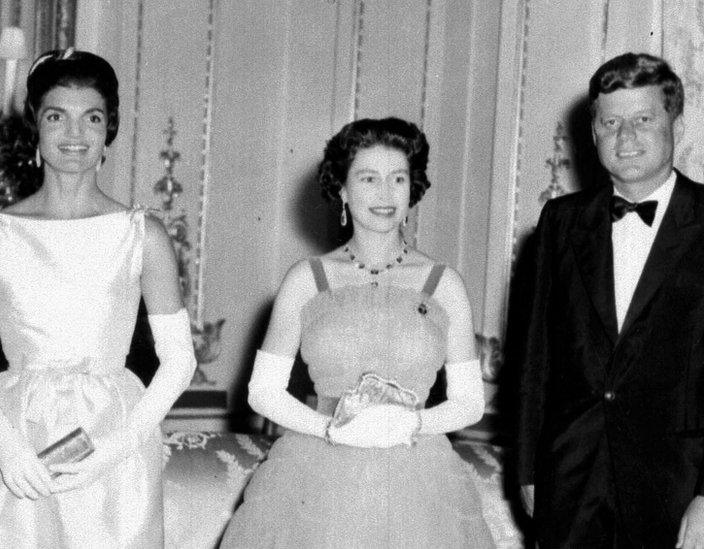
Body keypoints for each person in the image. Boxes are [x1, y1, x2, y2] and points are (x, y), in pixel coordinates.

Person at [0, 48, 196, 548]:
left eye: (90, 118)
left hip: (114, 444)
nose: (74, 134)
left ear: (107, 132)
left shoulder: (142, 234)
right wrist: (6, 446)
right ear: (36, 127)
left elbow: (179, 361)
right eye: (57, 117)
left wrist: (113, 451)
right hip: (14, 442)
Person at [221, 118, 493, 548]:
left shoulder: (443, 284)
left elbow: (470, 401)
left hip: (418, 479)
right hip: (317, 476)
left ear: (412, 188)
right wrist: (333, 429)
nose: (385, 194)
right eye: (369, 179)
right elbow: (262, 391)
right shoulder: (307, 280)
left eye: (397, 179)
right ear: (343, 191)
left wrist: (411, 423)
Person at [518, 52, 704, 548]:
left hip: (677, 485)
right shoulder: (560, 221)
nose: (626, 137)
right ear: (593, 134)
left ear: (677, 127)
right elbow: (537, 356)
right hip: (570, 477)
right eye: (611, 122)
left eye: (644, 119)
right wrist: (530, 470)